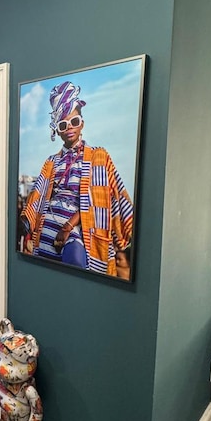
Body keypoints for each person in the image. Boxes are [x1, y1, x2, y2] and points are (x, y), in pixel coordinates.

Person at [20, 80, 133, 278]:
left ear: (82, 123)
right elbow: (37, 200)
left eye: (75, 121)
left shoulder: (99, 156)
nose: (70, 128)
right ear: (56, 130)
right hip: (48, 226)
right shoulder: (51, 162)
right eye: (63, 124)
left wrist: (68, 227)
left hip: (78, 228)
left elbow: (101, 199)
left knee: (77, 268)